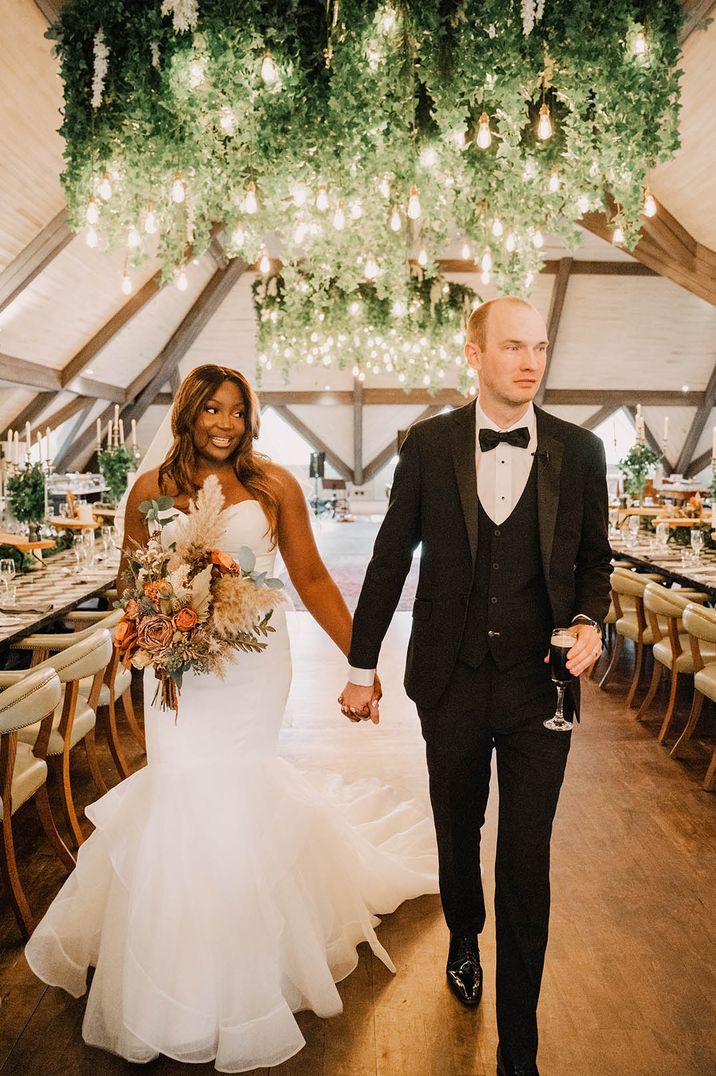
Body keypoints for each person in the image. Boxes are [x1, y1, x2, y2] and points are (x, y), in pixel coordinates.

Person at [25, 364, 438, 1071]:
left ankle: (248, 968)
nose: (224, 423)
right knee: (182, 788)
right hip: (179, 678)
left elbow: (309, 577)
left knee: (237, 790)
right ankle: (182, 968)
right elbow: (132, 581)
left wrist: (360, 665)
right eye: (212, 409)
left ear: (251, 420)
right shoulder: (148, 491)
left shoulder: (274, 485)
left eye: (237, 412)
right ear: (188, 414)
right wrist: (152, 630)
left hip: (251, 668)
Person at [340, 297, 612, 1076]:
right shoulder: (427, 446)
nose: (530, 361)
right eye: (513, 347)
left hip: (542, 688)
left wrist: (592, 622)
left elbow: (595, 560)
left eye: (540, 347)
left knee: (527, 858)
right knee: (458, 832)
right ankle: (464, 932)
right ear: (474, 353)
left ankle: (519, 1048)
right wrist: (361, 669)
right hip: (450, 681)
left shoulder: (581, 451)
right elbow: (390, 558)